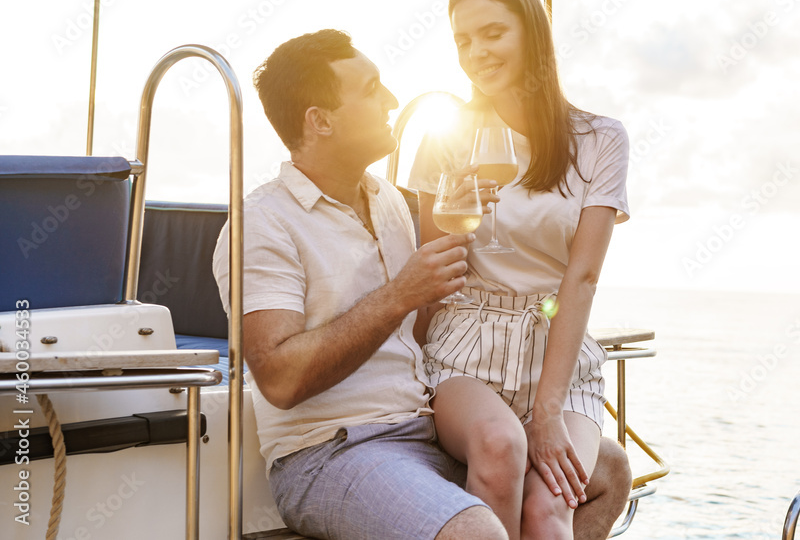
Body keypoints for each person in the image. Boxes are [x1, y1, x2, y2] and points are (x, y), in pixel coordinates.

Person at [213, 28, 631, 540]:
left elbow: (433, 312)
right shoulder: (263, 222)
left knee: (607, 471)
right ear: (319, 121)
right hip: (335, 450)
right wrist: (399, 296)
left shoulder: (387, 200)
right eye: (371, 90)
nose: (390, 100)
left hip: (420, 429)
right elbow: (278, 378)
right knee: (477, 533)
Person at [408, 0, 631, 540]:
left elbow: (581, 278)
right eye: (463, 41)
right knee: (499, 444)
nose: (476, 52)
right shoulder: (447, 137)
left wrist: (550, 411)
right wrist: (449, 219)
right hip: (467, 344)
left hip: (556, 349)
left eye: (492, 33)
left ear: (531, 34)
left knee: (548, 509)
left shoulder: (601, 140)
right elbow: (424, 265)